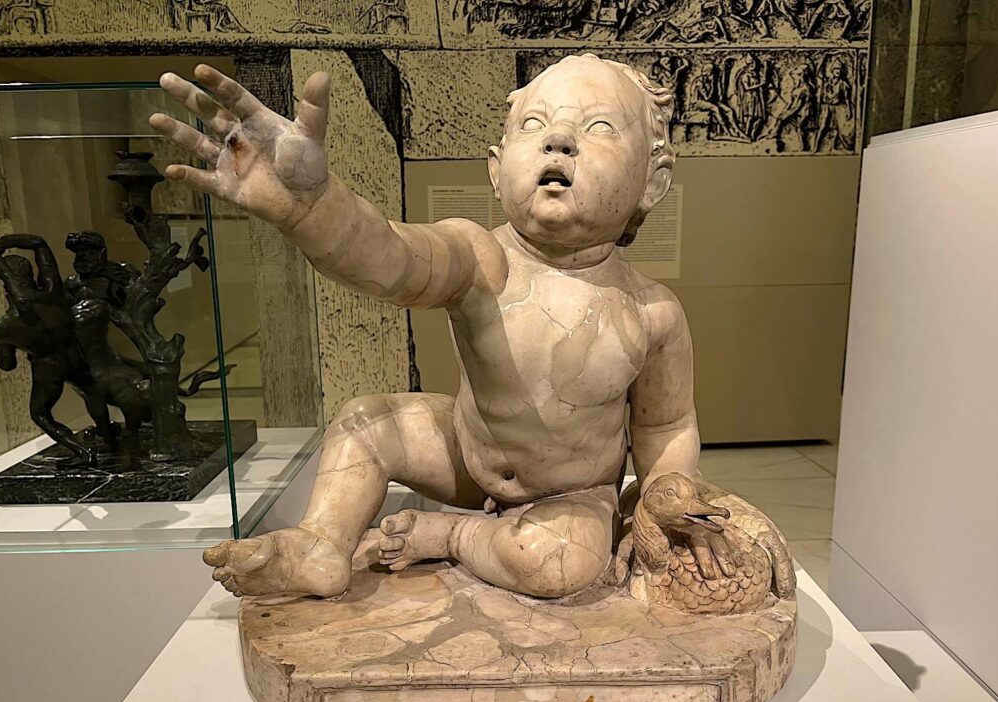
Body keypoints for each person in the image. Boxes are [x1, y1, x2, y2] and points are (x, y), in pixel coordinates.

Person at [151, 54, 791, 600]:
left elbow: (665, 425)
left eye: (597, 129)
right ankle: (321, 543)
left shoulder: (651, 311)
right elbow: (390, 259)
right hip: (463, 455)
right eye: (534, 126)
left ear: (652, 181)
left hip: (575, 491)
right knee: (365, 422)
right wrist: (314, 211)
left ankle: (453, 536)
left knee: (562, 562)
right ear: (495, 166)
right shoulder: (481, 258)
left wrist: (665, 490)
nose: (559, 142)